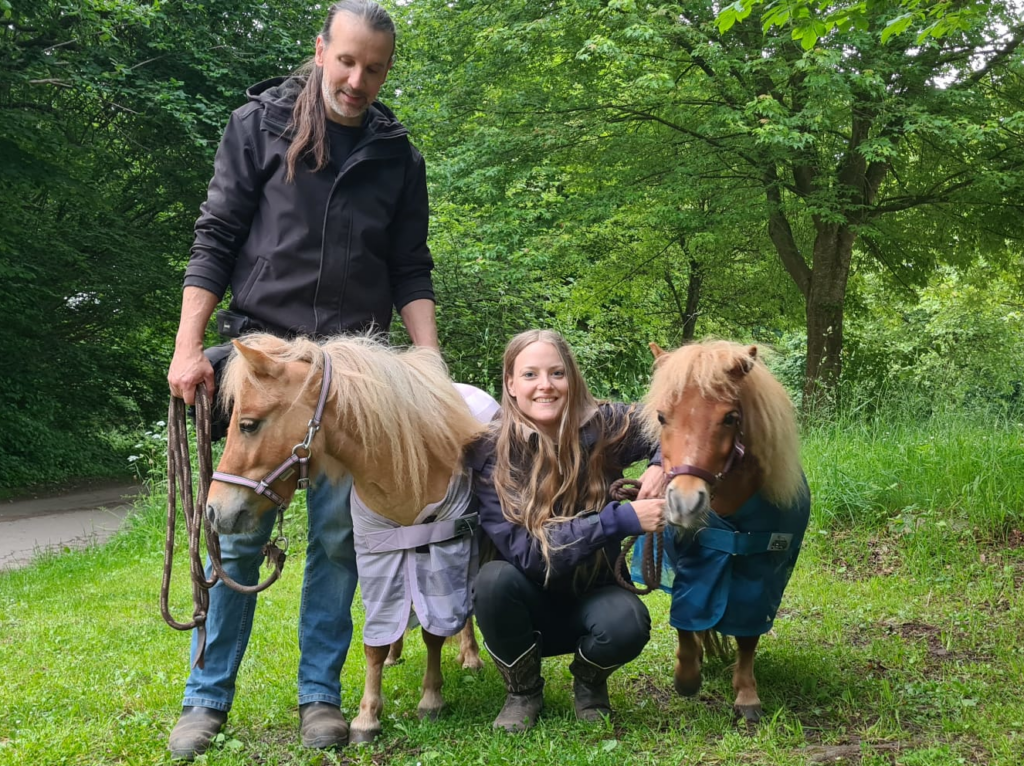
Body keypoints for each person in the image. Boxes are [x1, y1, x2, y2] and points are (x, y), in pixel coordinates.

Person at [165, 1, 437, 759]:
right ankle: (206, 699)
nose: (356, 80)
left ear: (386, 70)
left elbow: (411, 267)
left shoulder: (397, 155)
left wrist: (428, 358)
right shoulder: (258, 125)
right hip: (260, 359)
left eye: (374, 68)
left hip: (353, 373)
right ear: (321, 50)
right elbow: (215, 236)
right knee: (236, 530)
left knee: (336, 538)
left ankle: (320, 695)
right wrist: (189, 349)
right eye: (345, 61)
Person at [468, 330, 668, 732]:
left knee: (629, 623)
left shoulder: (607, 424)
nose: (545, 385)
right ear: (510, 383)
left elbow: (671, 420)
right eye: (530, 375)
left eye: (557, 373)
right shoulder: (488, 450)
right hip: (523, 599)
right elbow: (529, 554)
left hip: (595, 592)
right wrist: (624, 519)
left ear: (572, 378)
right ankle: (522, 692)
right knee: (491, 582)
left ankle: (590, 683)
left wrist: (660, 462)